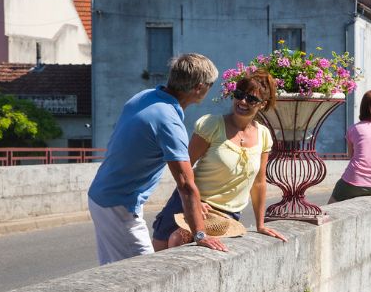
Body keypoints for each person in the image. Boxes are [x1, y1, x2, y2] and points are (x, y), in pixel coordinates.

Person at [88, 53, 228, 265]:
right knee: (144, 272)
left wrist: (196, 205)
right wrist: (200, 234)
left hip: (104, 195)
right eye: (210, 85)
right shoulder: (169, 121)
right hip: (118, 204)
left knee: (114, 269)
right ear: (199, 87)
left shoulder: (145, 97)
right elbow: (185, 184)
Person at [150, 69, 288, 250]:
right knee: (159, 255)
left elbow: (259, 183)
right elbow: (184, 169)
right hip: (190, 203)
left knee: (178, 240)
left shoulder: (263, 135)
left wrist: (260, 224)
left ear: (263, 104)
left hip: (223, 214)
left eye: (251, 99)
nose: (243, 101)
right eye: (239, 95)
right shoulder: (211, 125)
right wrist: (196, 202)